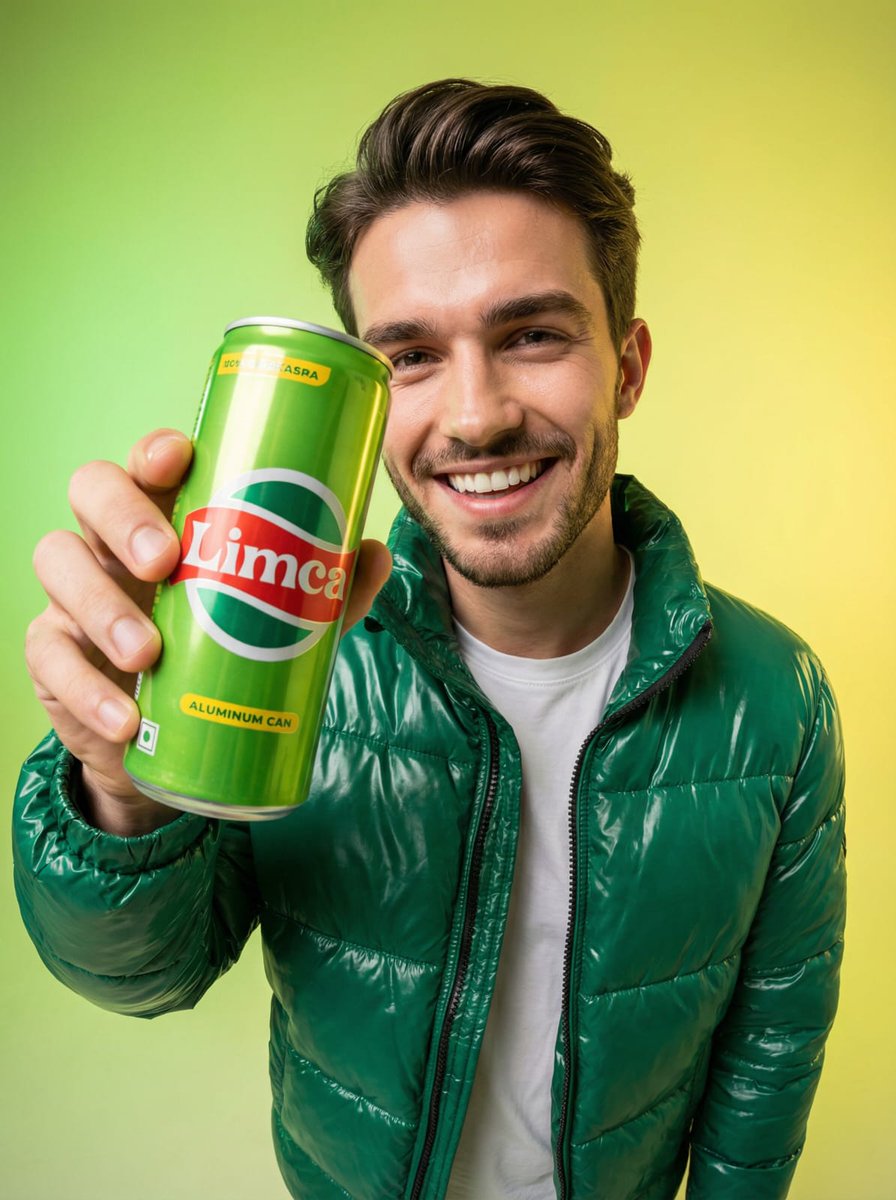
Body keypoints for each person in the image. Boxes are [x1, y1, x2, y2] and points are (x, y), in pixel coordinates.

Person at [14, 79, 845, 1200]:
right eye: (407, 355)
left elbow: (768, 1057)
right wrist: (121, 787)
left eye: (533, 334)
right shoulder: (283, 670)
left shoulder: (773, 694)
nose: (473, 414)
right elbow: (137, 976)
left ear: (628, 366)